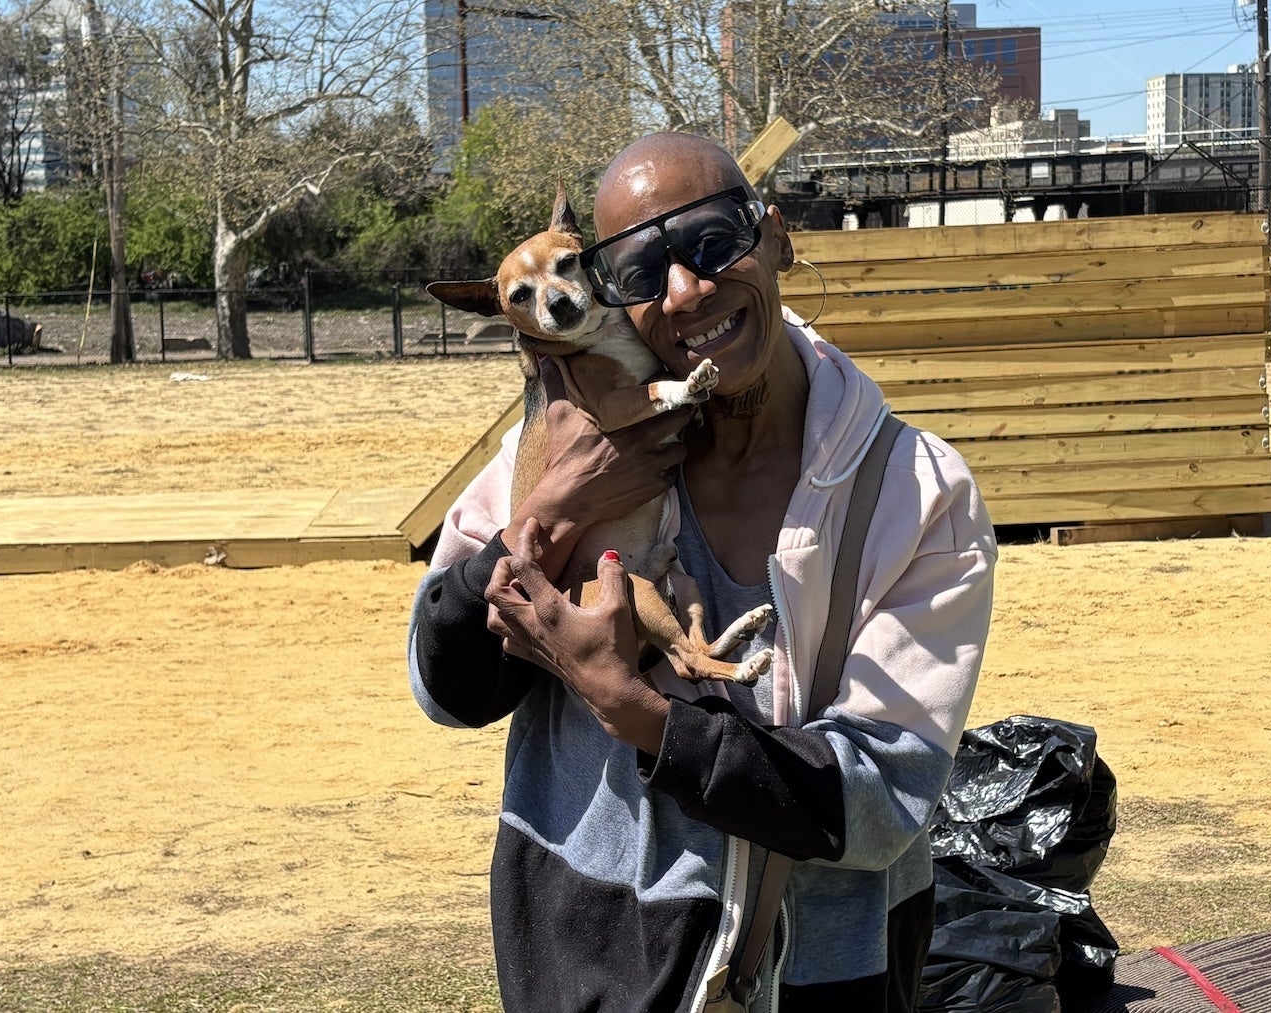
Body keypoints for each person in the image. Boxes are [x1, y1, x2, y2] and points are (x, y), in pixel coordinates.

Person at [408, 132, 996, 1012]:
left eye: (714, 241)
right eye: (642, 268)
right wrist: (557, 511)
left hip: (825, 976)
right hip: (581, 954)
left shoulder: (913, 493)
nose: (686, 289)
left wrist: (639, 712)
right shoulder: (567, 442)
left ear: (777, 236)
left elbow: (880, 801)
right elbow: (443, 685)